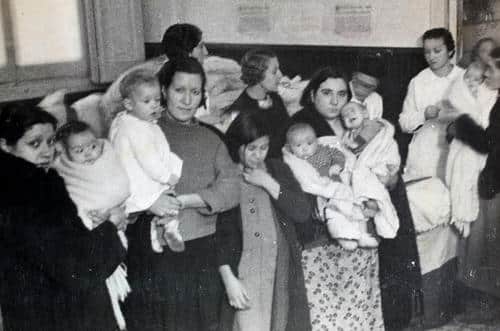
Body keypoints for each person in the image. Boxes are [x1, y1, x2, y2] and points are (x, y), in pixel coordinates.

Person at [289, 66, 421, 330]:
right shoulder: (302, 126)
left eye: (340, 94)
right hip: (328, 222)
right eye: (327, 93)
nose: (335, 100)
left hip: (363, 212)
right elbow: (300, 171)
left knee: (361, 297)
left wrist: (386, 181)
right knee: (331, 302)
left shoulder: (353, 120)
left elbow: (378, 155)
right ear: (313, 94)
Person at [123, 57, 240, 331]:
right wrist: (150, 203)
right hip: (152, 251)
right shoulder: (140, 129)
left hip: (200, 252)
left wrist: (184, 201)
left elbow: (232, 188)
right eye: (179, 90)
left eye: (195, 91)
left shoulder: (211, 137)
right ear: (163, 90)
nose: (188, 100)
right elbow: (121, 181)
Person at [0, 104, 127, 331]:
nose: (47, 152)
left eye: (50, 142)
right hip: (57, 313)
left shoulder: (38, 182)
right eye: (34, 143)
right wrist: (110, 227)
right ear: (5, 146)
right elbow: (76, 268)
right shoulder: (28, 193)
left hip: (32, 311)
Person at [217, 110, 312, 331]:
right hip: (243, 272)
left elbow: (302, 212)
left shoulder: (277, 169)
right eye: (251, 148)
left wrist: (269, 183)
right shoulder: (227, 176)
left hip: (279, 268)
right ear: (236, 145)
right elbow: (218, 234)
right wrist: (228, 277)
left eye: (263, 147)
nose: (258, 155)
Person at [399, 27, 464, 328]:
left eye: (437, 50)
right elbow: (404, 123)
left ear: (451, 50)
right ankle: (424, 307)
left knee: (449, 233)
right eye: (427, 51)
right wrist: (424, 114)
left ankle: (445, 303)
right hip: (423, 161)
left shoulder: (463, 78)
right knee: (424, 229)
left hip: (452, 159)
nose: (431, 56)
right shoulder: (418, 81)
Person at [53, 120, 131, 330]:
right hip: (90, 234)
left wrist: (113, 212)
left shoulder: (108, 159)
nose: (88, 153)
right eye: (79, 150)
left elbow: (121, 186)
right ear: (66, 153)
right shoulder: (64, 172)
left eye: (93, 146)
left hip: (115, 224)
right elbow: (73, 199)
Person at [109, 68, 184, 253]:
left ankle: (164, 228)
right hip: (136, 178)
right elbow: (148, 160)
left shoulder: (130, 120)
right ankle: (169, 227)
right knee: (166, 192)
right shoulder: (135, 129)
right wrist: (167, 176)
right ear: (128, 104)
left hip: (137, 173)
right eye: (146, 101)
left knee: (167, 185)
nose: (154, 106)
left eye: (157, 100)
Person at [450, 46, 500, 317]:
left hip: (494, 184)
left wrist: (459, 125)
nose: (486, 74)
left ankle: (485, 303)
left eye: (491, 69)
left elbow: (487, 143)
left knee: (486, 244)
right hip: (491, 181)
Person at [283, 122, 379, 250]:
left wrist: (337, 165)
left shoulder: (324, 150)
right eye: (298, 145)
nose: (305, 148)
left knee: (355, 208)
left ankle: (362, 235)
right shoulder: (296, 162)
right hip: (322, 193)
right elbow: (299, 178)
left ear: (316, 142)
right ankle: (344, 238)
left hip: (337, 184)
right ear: (290, 148)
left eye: (309, 143)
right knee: (334, 213)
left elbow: (338, 154)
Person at [100, 23, 209, 129]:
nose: (206, 52)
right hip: (119, 122)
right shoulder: (160, 74)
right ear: (188, 51)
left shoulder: (171, 66)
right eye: (201, 46)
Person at [224, 48, 289, 156]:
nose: (280, 76)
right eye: (274, 71)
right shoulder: (238, 109)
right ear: (258, 74)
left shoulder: (275, 98)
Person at [350, 55, 385, 119]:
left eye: (368, 86)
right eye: (359, 82)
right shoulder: (342, 92)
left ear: (375, 87)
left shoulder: (376, 99)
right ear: (353, 77)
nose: (361, 90)